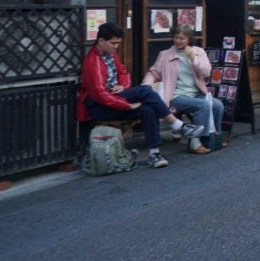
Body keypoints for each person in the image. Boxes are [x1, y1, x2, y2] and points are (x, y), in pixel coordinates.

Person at [78, 22, 204, 168]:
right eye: (113, 43)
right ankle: (178, 125)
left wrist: (122, 86)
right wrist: (128, 105)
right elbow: (100, 95)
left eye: (118, 43)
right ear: (101, 41)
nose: (116, 47)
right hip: (100, 107)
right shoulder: (93, 62)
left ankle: (154, 153)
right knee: (145, 91)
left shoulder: (110, 54)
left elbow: (123, 73)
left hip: (116, 98)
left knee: (148, 109)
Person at [141, 23, 222, 154]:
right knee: (203, 105)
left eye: (182, 38)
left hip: (196, 93)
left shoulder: (199, 52)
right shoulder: (165, 55)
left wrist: (192, 58)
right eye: (176, 38)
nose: (178, 41)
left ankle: (215, 138)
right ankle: (195, 142)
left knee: (218, 105)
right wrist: (146, 86)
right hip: (175, 95)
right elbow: (153, 73)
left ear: (189, 39)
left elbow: (206, 72)